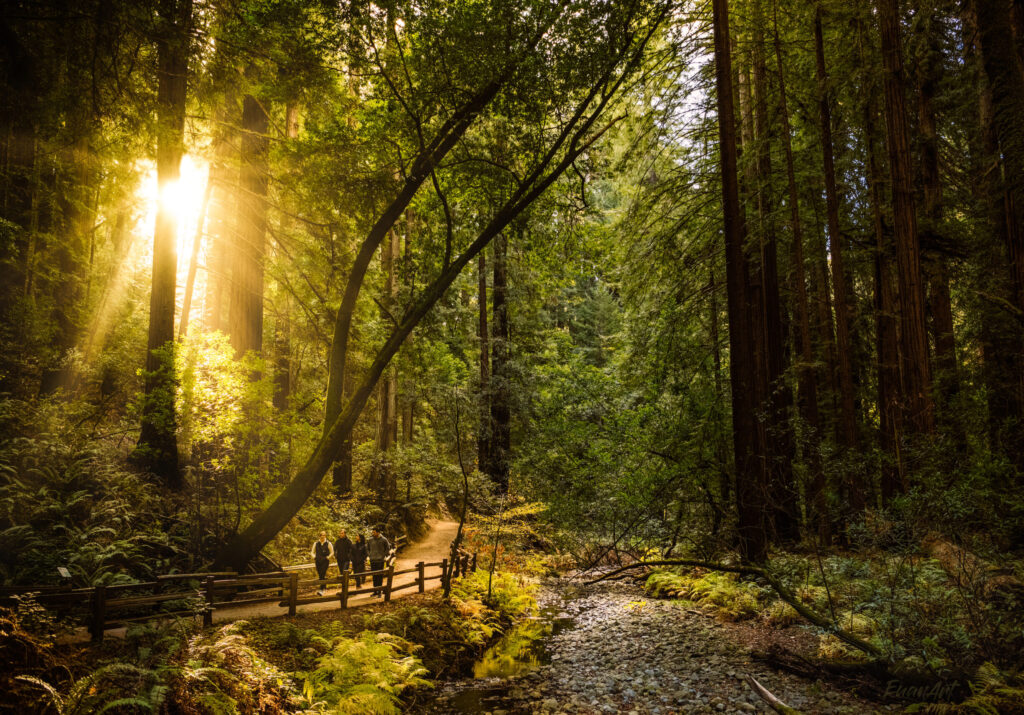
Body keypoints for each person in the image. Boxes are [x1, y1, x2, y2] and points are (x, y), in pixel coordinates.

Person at [366, 526, 391, 597]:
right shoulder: (370, 540)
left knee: (379, 576)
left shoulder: (384, 540)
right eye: (372, 532)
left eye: (374, 532)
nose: (373, 533)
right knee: (374, 576)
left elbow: (388, 548)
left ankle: (379, 591)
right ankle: (375, 591)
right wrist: (369, 555)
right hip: (373, 560)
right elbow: (367, 548)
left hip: (380, 561)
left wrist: (383, 555)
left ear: (378, 532)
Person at [310, 530, 334, 596]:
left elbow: (332, 552)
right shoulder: (316, 543)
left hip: (325, 561)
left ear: (325, 536)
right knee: (320, 574)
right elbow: (312, 552)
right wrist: (314, 557)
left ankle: (321, 589)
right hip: (318, 560)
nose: (323, 536)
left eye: (324, 535)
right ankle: (324, 587)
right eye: (321, 535)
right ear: (319, 536)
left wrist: (328, 557)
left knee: (322, 573)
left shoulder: (328, 543)